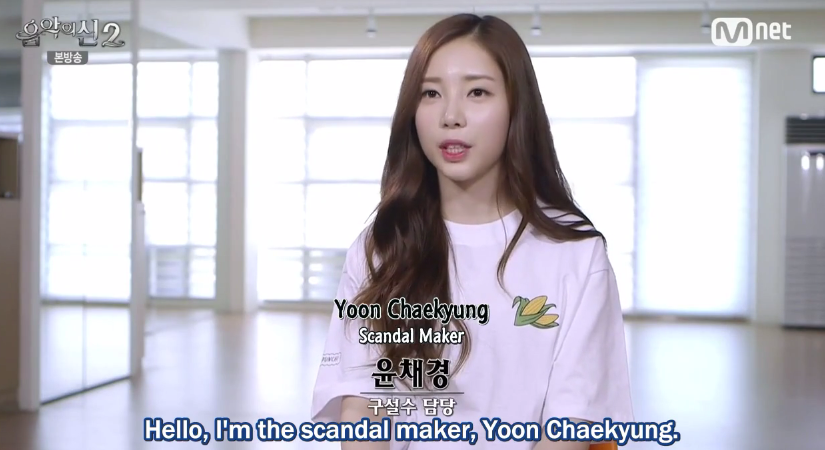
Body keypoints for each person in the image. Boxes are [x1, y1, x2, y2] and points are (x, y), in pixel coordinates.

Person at [311, 13, 634, 449]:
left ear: (517, 107)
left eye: (477, 92)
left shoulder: (576, 253)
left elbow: (574, 422)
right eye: (430, 93)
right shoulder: (381, 247)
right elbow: (363, 403)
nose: (451, 115)